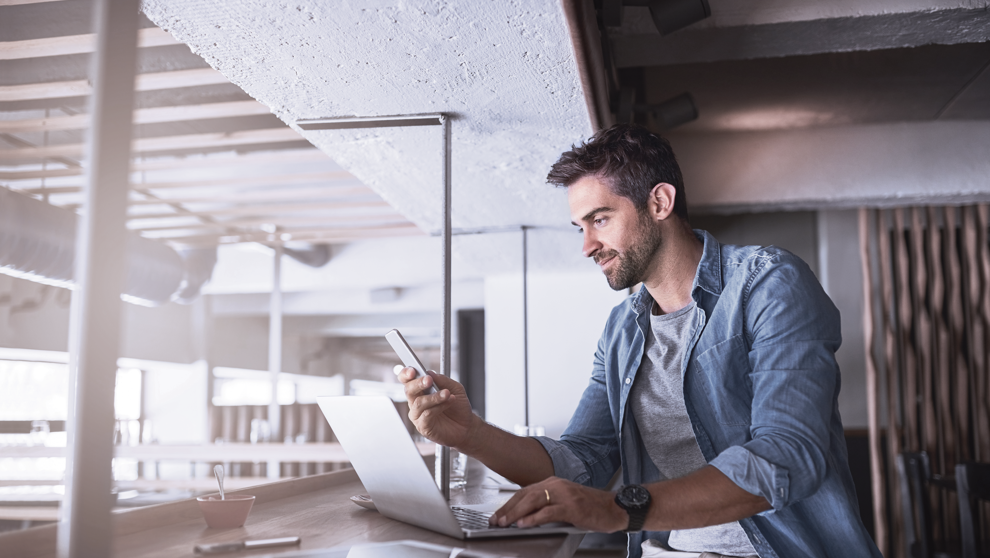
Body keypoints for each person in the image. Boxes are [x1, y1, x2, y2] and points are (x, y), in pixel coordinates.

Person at [399, 124, 881, 558]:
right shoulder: (622, 331)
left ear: (659, 202)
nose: (586, 245)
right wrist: (471, 434)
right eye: (581, 226)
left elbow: (788, 454)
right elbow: (581, 462)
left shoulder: (768, 283)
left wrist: (619, 509)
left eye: (600, 219)